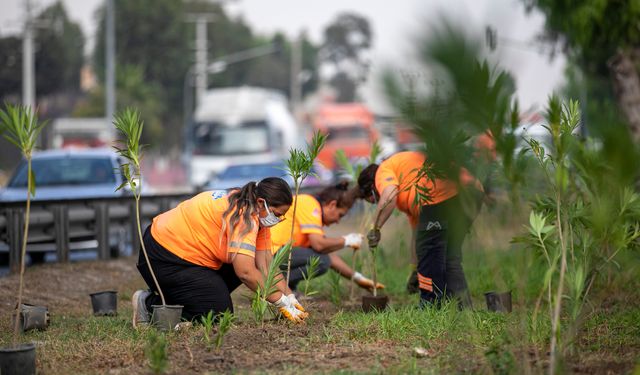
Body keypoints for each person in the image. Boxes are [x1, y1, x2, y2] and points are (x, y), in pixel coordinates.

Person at [131, 177, 308, 327]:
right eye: (277, 214)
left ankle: (192, 299)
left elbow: (266, 264)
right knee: (218, 316)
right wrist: (279, 301)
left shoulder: (255, 213)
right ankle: (149, 306)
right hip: (163, 255)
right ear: (262, 203)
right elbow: (246, 272)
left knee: (242, 268)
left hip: (189, 257)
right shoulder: (244, 216)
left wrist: (290, 297)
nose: (278, 220)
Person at [357, 151, 483, 309]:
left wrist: (375, 228)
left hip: (441, 195)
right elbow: (419, 234)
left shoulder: (383, 169)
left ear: (371, 187)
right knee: (450, 256)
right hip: (472, 191)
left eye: (373, 200)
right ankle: (462, 308)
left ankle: (431, 306)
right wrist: (414, 269)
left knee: (429, 253)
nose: (376, 204)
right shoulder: (410, 190)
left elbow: (389, 195)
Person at [270, 182, 385, 293]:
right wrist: (347, 240)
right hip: (270, 255)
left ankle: (284, 287)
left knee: (322, 258)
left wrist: (358, 278)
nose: (337, 221)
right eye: (340, 215)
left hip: (275, 255)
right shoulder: (310, 204)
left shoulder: (312, 214)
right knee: (321, 261)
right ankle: (275, 285)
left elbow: (326, 252)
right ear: (332, 205)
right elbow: (319, 245)